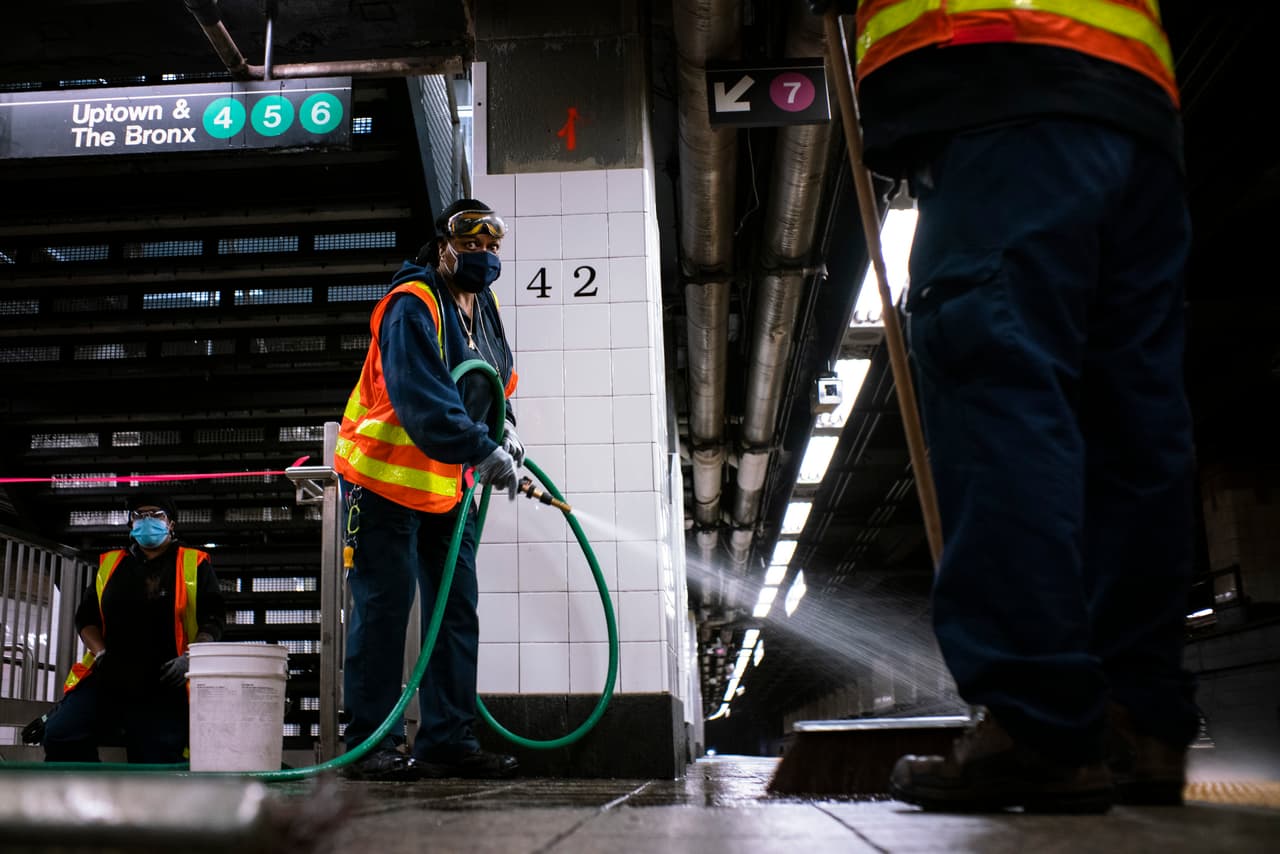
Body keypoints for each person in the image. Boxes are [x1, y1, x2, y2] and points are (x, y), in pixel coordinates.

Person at [817, 1, 1198, 811]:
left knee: (1000, 392)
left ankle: (1040, 723)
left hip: (994, 73)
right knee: (1134, 420)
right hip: (1136, 106)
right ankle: (1139, 720)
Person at [333, 198, 524, 781]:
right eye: (470, 244)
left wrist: (505, 426)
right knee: (384, 609)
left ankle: (447, 741)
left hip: (446, 484)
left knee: (455, 609)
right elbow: (422, 393)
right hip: (383, 477)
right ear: (442, 247)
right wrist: (480, 447)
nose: (482, 255)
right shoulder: (411, 304)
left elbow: (493, 378)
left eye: (491, 246)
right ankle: (370, 745)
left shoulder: (484, 306)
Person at [43, 492, 224, 763]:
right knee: (61, 733)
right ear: (131, 523)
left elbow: (214, 618)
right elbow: (86, 617)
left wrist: (190, 658)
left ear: (171, 524)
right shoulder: (112, 565)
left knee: (154, 756)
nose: (147, 520)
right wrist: (101, 653)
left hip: (165, 680)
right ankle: (86, 789)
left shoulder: (193, 563)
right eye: (140, 515)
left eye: (156, 515)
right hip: (112, 674)